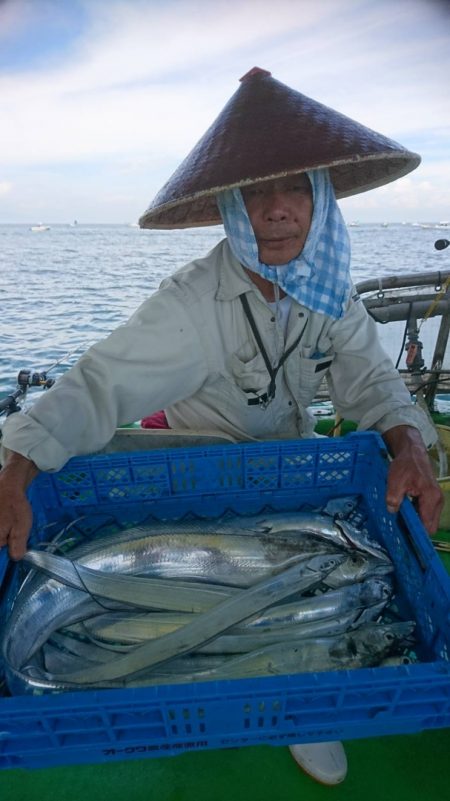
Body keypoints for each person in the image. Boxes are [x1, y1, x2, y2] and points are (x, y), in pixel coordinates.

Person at [0, 68, 444, 785]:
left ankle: (299, 691)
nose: (277, 209)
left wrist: (409, 440)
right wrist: (18, 466)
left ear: (319, 197)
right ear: (231, 207)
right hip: (196, 477)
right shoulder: (191, 301)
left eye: (295, 185)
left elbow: (369, 373)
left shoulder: (328, 287)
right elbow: (97, 383)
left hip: (291, 478)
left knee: (301, 603)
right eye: (255, 191)